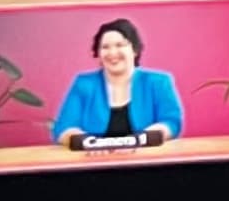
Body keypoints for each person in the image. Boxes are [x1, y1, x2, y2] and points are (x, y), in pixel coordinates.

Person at [47, 17, 184, 146]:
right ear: (98, 54)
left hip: (145, 158)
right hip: (93, 160)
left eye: (120, 45)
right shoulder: (83, 84)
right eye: (105, 47)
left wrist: (142, 140)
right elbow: (63, 129)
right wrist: (90, 144)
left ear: (135, 50)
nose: (112, 52)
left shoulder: (158, 82)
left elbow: (171, 123)